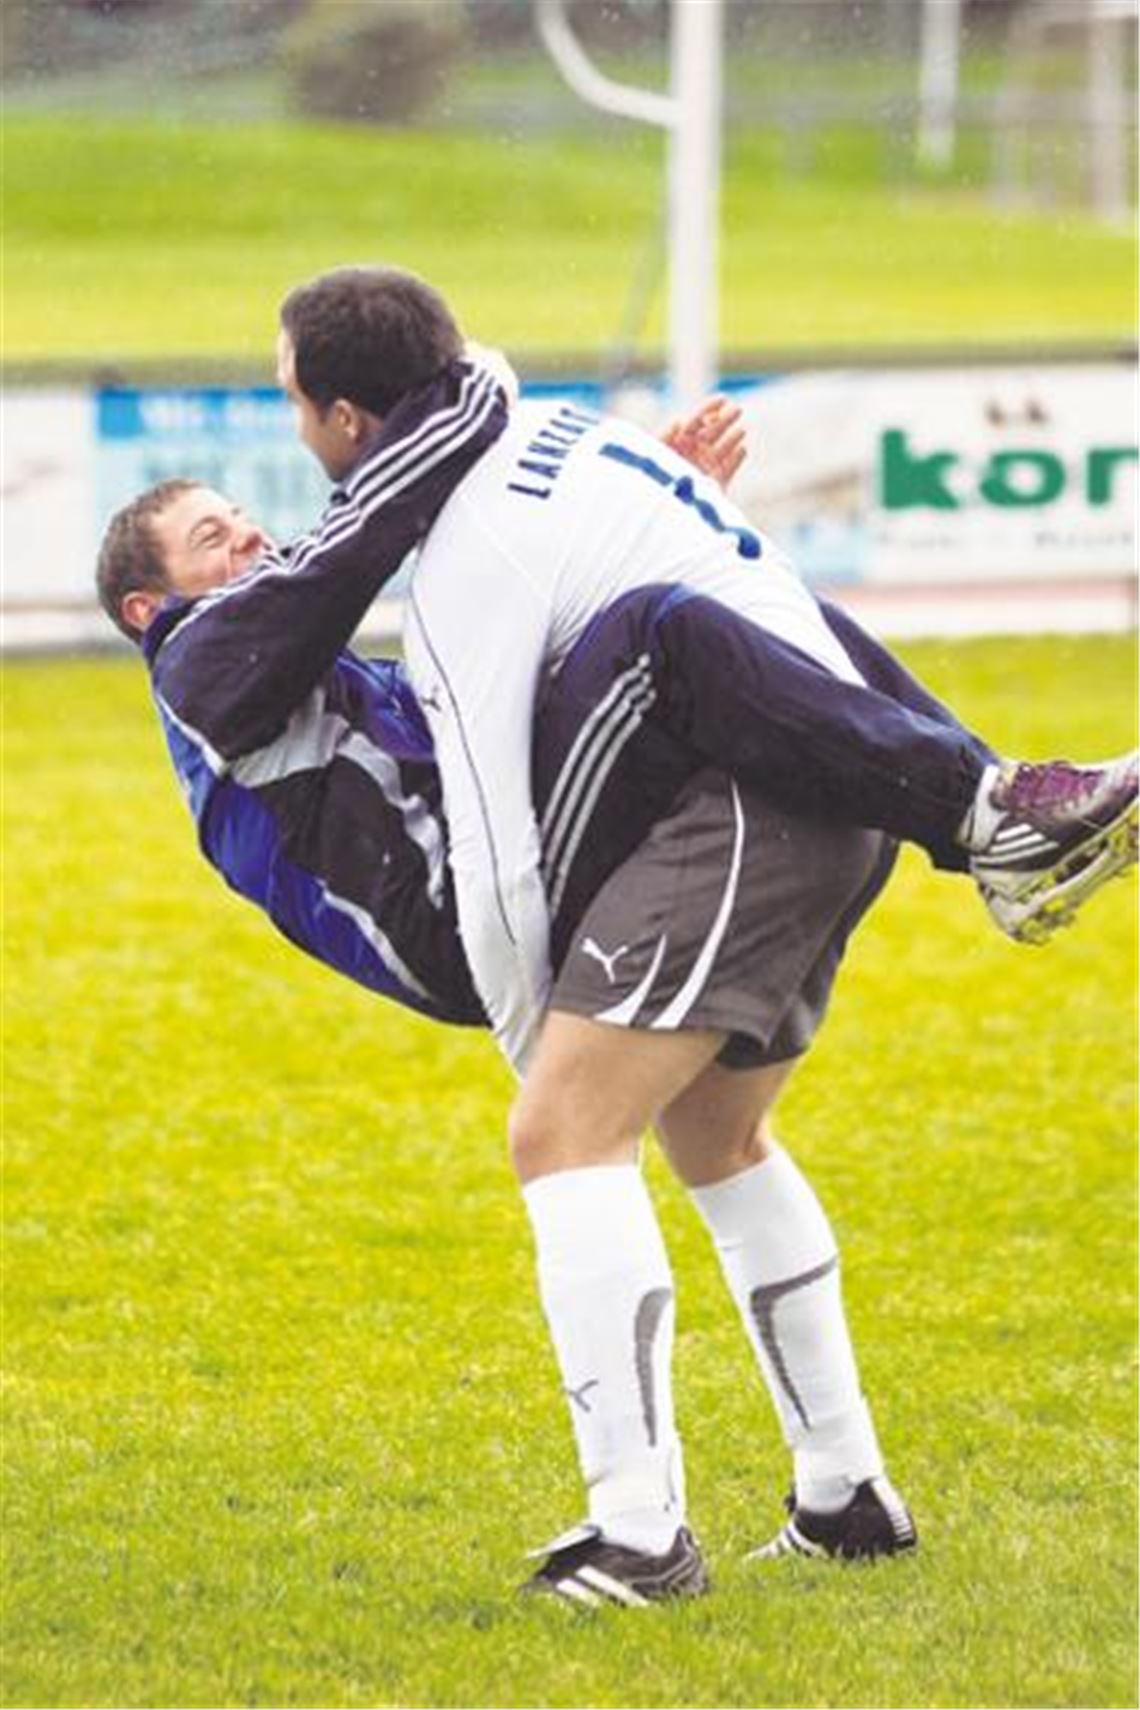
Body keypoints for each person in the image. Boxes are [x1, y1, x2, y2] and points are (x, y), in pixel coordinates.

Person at [265, 264, 1136, 1604]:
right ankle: (845, 1494)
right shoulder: (559, 429)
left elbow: (499, 850)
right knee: (716, 1137)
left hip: (744, 809)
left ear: (344, 423)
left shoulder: (467, 567)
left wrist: (535, 1052)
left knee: (564, 1134)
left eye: (295, 401)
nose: (294, 430)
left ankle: (637, 1534)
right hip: (840, 781)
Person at [98, 374, 915, 1607]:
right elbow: (366, 539)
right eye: (216, 538)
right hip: (460, 913)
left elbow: (489, 644)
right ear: (149, 606)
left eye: (243, 519)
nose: (253, 537)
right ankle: (645, 1529)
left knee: (721, 1138)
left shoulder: (281, 646)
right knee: (667, 633)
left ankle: (837, 1495)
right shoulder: (206, 662)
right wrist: (472, 403)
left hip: (516, 860)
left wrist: (652, 493)